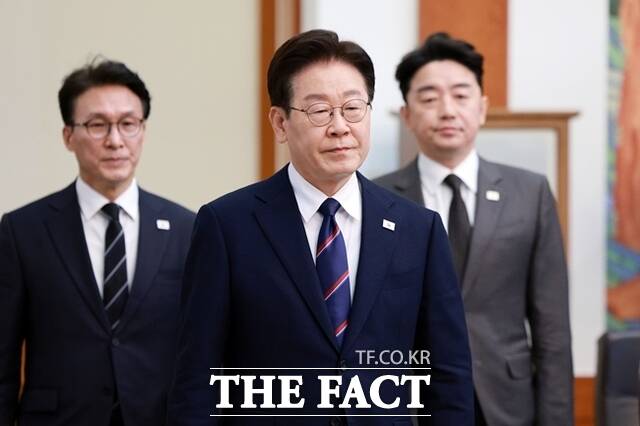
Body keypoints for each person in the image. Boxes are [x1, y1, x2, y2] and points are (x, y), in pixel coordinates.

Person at [168, 29, 473, 425]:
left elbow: (447, 377)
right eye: (319, 111)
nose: (340, 126)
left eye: (353, 108)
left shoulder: (418, 229)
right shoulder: (227, 226)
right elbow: (197, 378)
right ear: (280, 122)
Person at [375, 33, 573, 425]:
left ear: (481, 108)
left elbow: (552, 329)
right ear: (407, 115)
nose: (447, 110)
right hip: (412, 405)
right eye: (429, 98)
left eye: (461, 95)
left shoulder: (530, 193)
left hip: (507, 404)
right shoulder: (377, 199)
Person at [0, 59, 195, 426]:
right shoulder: (23, 230)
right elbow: (4, 357)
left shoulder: (187, 229)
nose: (115, 140)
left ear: (143, 131)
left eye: (128, 124)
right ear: (68, 136)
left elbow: (202, 349)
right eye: (97, 125)